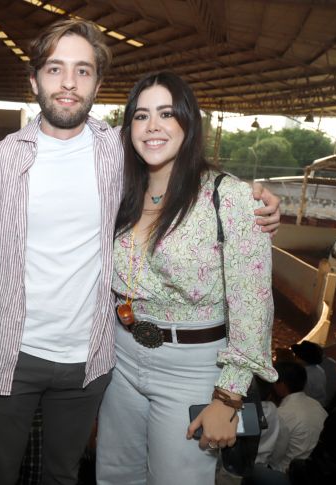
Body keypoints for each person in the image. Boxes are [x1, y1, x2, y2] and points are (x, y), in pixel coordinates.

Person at [0, 19, 281, 485]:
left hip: (97, 358)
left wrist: (256, 200)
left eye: (83, 70)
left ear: (98, 83)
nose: (69, 83)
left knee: (69, 474)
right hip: (27, 353)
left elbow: (191, 179)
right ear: (34, 80)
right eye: (55, 69)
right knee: (17, 472)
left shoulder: (115, 154)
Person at [93, 71, 278, 485]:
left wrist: (228, 398)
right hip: (120, 360)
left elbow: (253, 303)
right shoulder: (118, 189)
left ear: (188, 122)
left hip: (193, 371)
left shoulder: (227, 196)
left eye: (166, 113)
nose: (152, 126)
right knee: (114, 477)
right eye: (141, 116)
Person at [243, 335, 336, 485]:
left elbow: (317, 473)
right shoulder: (316, 405)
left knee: (248, 472)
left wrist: (293, 467)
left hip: (299, 475)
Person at [267, 361, 327, 472]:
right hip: (314, 468)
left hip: (287, 471)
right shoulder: (316, 404)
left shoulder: (282, 414)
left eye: (274, 382)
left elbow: (274, 457)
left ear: (282, 385)